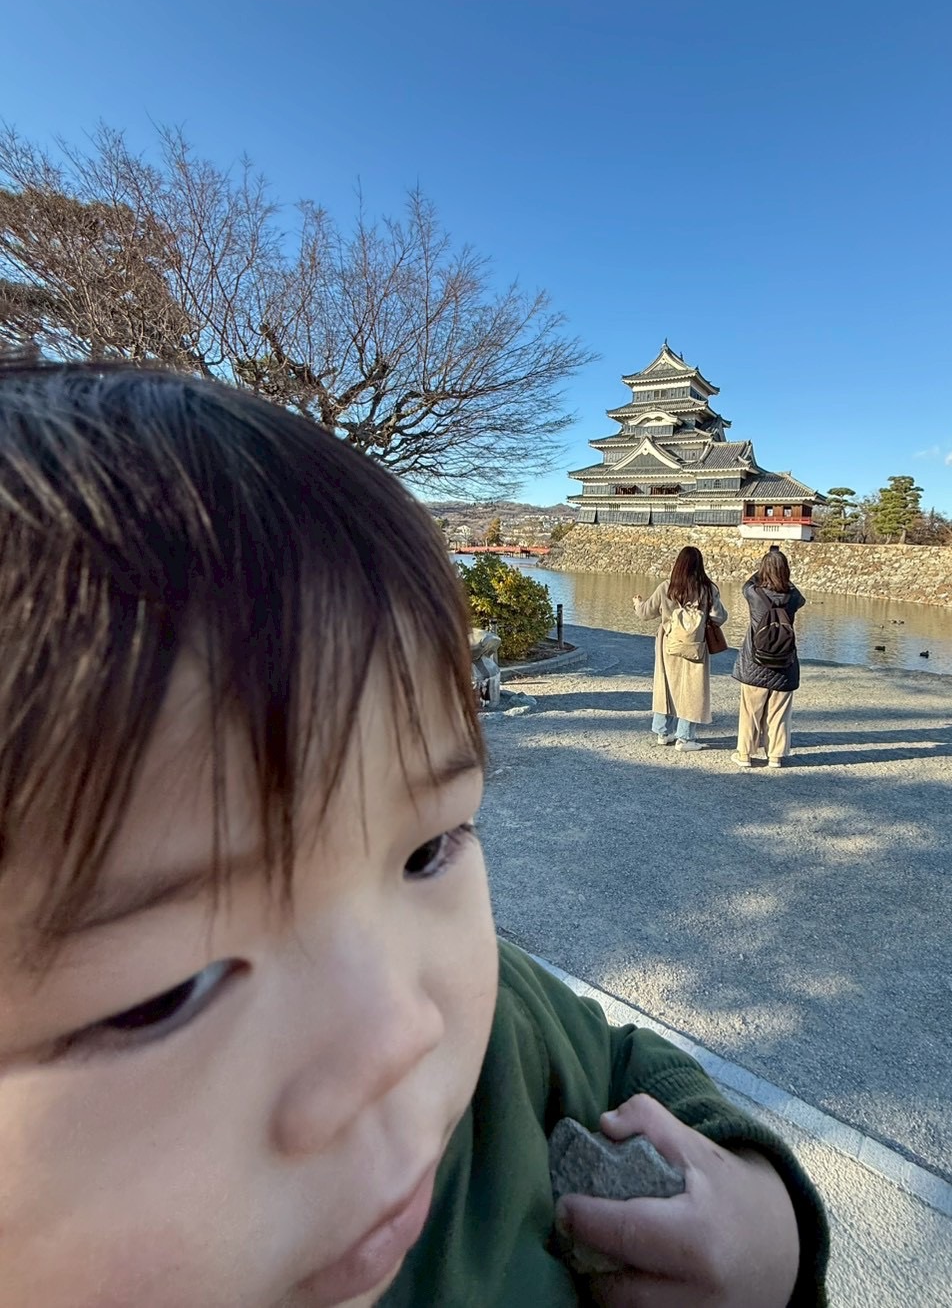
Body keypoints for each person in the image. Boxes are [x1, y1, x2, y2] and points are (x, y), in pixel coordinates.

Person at [0, 360, 828, 1307]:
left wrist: (765, 1229)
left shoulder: (497, 1046)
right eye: (160, 991)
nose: (399, 1030)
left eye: (426, 851)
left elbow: (617, 1059)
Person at [632, 544, 727, 754]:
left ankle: (662, 732)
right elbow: (720, 617)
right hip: (695, 645)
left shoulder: (666, 587)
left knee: (666, 685)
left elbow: (645, 614)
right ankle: (684, 737)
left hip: (668, 643)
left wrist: (638, 603)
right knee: (692, 690)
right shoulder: (708, 589)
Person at [732, 547, 806, 770]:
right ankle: (775, 756)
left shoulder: (755, 594)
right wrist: (785, 579)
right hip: (784, 663)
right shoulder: (792, 598)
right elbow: (800, 597)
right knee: (779, 712)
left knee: (750, 712)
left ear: (763, 570)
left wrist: (762, 571)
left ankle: (744, 754)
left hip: (755, 661)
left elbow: (746, 584)